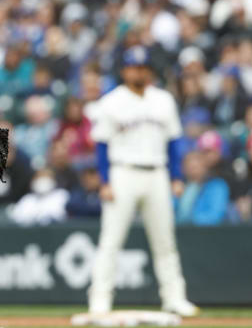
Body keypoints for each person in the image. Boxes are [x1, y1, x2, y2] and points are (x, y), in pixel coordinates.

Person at [88, 46, 199, 317]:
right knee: (110, 240)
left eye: (142, 67)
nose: (138, 71)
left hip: (157, 173)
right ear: (125, 70)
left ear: (149, 70)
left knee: (165, 241)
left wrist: (176, 176)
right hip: (122, 172)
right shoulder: (111, 101)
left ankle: (174, 298)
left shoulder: (163, 100)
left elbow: (173, 142)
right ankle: (100, 300)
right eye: (133, 66)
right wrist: (104, 181)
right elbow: (101, 145)